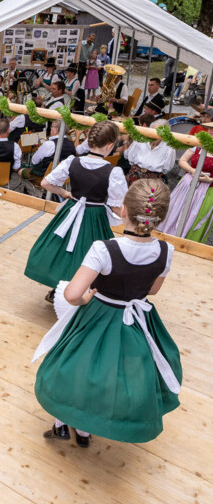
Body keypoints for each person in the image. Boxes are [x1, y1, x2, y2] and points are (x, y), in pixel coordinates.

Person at [33, 179, 180, 447]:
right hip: (135, 320)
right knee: (112, 373)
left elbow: (71, 294)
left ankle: (62, 423)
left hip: (98, 314)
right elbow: (154, 290)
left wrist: (87, 297)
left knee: (79, 366)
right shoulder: (165, 251)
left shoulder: (104, 249)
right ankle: (88, 430)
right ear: (160, 216)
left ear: (122, 210)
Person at [24, 121, 127, 303]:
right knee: (90, 253)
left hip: (72, 210)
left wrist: (65, 193)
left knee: (62, 250)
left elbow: (46, 183)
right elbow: (117, 206)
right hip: (95, 215)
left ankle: (58, 289)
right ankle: (80, 292)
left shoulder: (73, 161)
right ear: (110, 145)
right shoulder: (113, 172)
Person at [124, 119, 176, 185]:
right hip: (135, 173)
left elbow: (167, 168)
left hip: (154, 178)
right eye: (153, 131)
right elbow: (130, 156)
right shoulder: (140, 140)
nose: (155, 135)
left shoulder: (169, 147)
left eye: (160, 132)